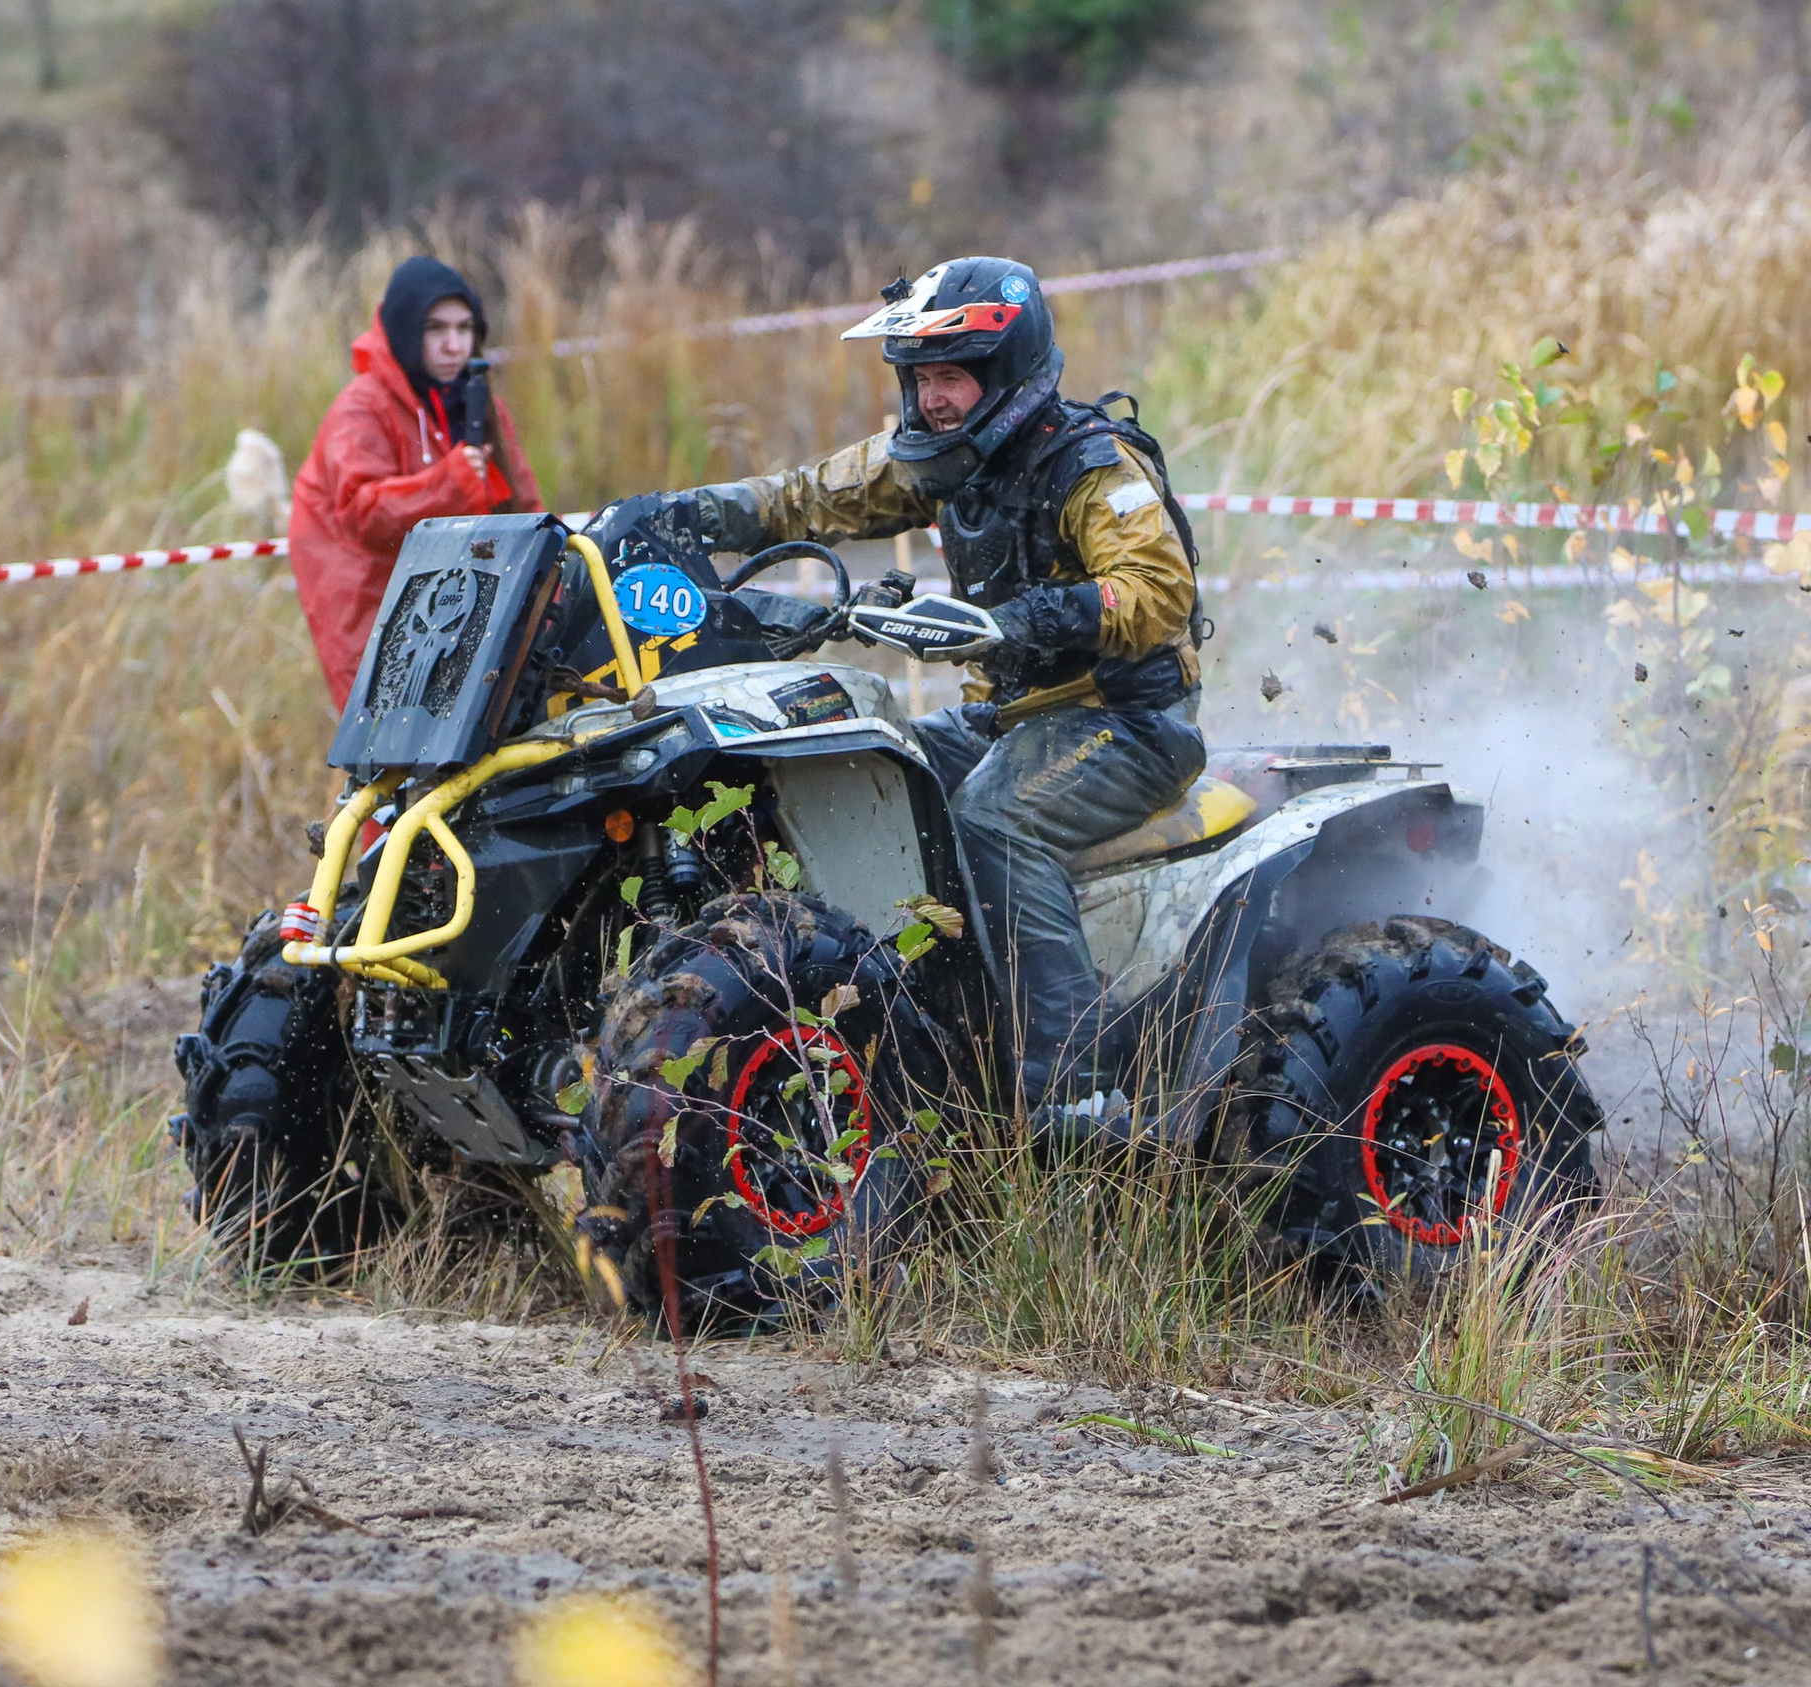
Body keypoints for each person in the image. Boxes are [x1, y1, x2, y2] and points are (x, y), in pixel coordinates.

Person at [587, 257, 1205, 1117]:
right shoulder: (943, 461)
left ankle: (1072, 1082)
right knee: (870, 769)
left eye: (950, 377)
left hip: (1128, 723)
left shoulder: (1094, 467)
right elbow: (809, 497)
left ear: (1005, 374)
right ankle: (918, 1026)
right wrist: (681, 512)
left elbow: (1157, 590)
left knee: (996, 815)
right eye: (920, 380)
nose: (932, 399)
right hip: (1007, 717)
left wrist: (1014, 624)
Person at [289, 256, 544, 709]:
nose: (453, 345)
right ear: (408, 332)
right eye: (436, 329)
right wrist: (449, 484)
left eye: (465, 329)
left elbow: (525, 507)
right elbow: (362, 511)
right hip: (371, 603)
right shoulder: (362, 408)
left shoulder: (482, 404)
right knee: (393, 756)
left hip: (459, 601)